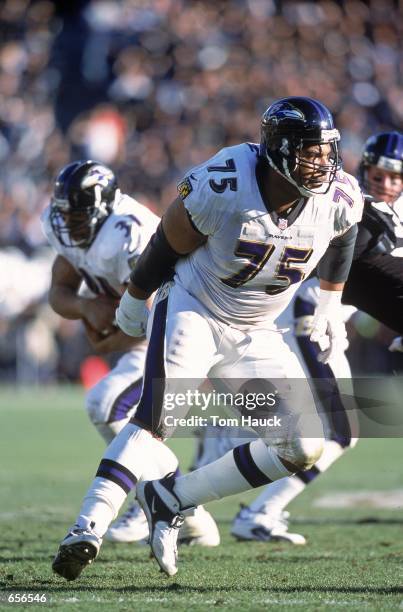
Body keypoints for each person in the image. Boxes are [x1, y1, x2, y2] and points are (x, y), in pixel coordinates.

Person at [52, 96, 364, 579]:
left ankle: (171, 497)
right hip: (195, 311)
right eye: (309, 150)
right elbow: (168, 238)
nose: (322, 161)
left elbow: (344, 234)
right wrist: (135, 298)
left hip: (258, 334)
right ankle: (87, 527)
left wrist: (328, 300)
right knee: (156, 421)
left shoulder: (339, 195)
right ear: (278, 149)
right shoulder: (228, 180)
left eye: (326, 150)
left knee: (302, 445)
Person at [208, 130, 402, 545]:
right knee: (338, 432)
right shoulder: (358, 212)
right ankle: (257, 510)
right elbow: (355, 269)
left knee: (334, 432)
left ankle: (234, 444)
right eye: (377, 173)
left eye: (393, 176)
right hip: (309, 313)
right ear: (363, 169)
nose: (383, 183)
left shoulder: (387, 214)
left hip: (327, 320)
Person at [43, 160, 219, 549]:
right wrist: (87, 309)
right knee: (111, 408)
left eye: (78, 215)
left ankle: (155, 503)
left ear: (104, 207)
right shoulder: (72, 232)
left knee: (106, 405)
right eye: (64, 214)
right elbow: (59, 291)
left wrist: (111, 339)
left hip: (178, 330)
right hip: (143, 334)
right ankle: (185, 511)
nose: (68, 224)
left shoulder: (129, 231)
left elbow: (156, 312)